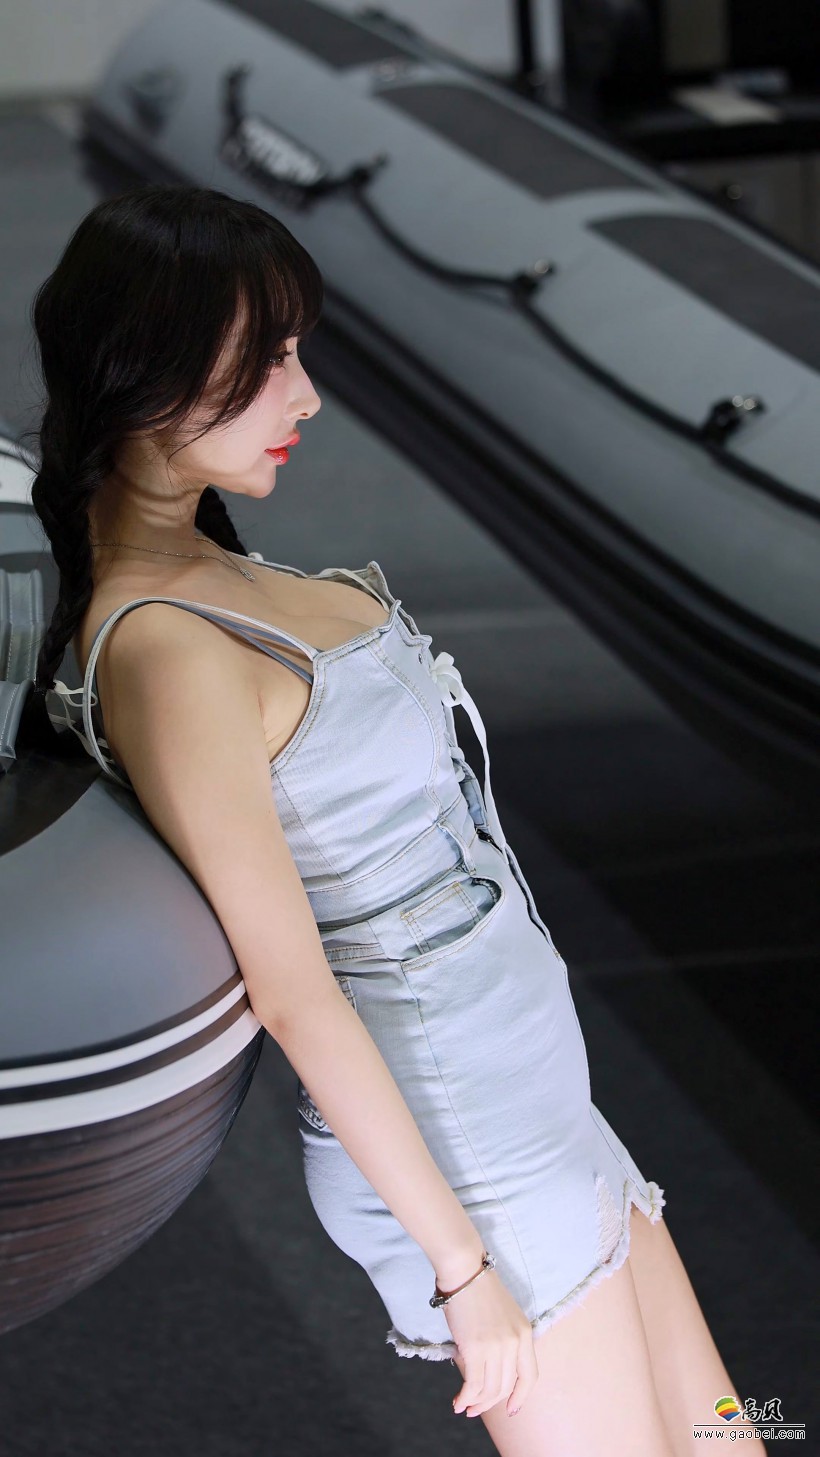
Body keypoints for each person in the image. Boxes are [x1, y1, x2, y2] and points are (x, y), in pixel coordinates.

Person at [28, 184, 758, 1456]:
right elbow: (294, 990)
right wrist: (462, 1272)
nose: (305, 396)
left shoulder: (213, 569)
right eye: (267, 360)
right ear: (148, 372)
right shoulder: (161, 646)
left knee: (725, 1438)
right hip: (464, 1141)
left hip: (532, 1093)